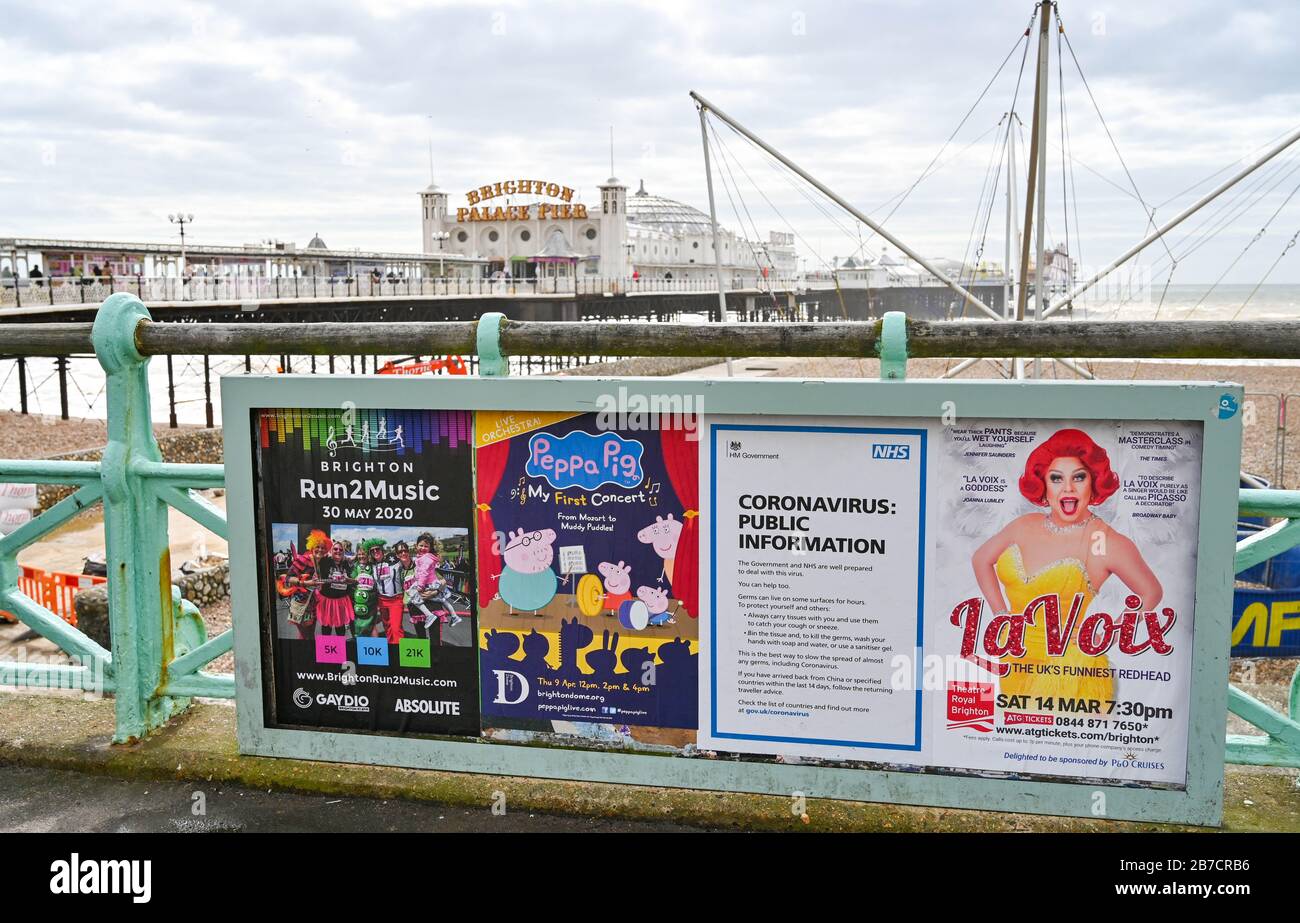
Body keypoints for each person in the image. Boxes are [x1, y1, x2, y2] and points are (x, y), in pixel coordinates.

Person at [970, 428, 1162, 704]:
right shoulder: (1023, 526)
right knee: (1015, 741)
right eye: (1056, 478)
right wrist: (1002, 616)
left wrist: (1103, 633)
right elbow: (981, 559)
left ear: (1094, 483)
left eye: (1079, 477)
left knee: (1052, 743)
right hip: (1015, 659)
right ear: (1044, 484)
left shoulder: (1106, 540)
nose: (1068, 488)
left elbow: (1151, 593)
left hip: (1069, 669)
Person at [311, 539, 356, 636]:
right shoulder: (325, 561)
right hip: (328, 601)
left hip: (341, 600)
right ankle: (326, 650)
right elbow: (315, 556)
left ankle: (339, 649)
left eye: (340, 549)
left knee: (340, 628)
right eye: (335, 549)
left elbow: (351, 574)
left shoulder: (346, 563)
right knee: (326, 627)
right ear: (331, 551)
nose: (338, 551)